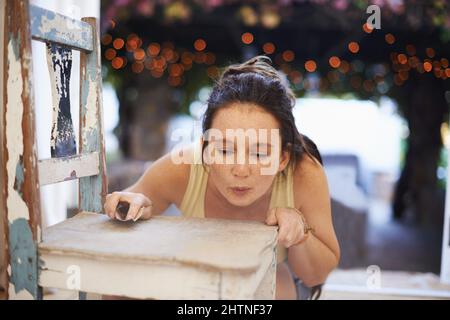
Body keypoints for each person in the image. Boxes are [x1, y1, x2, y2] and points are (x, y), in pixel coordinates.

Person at [103, 55, 340, 299]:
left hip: (270, 287)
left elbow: (315, 276)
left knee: (277, 281)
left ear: (282, 158)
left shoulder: (303, 175)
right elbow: (127, 207)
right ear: (205, 149)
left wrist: (299, 233)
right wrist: (129, 205)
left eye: (259, 153)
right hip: (197, 284)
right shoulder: (182, 167)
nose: (240, 170)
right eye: (225, 150)